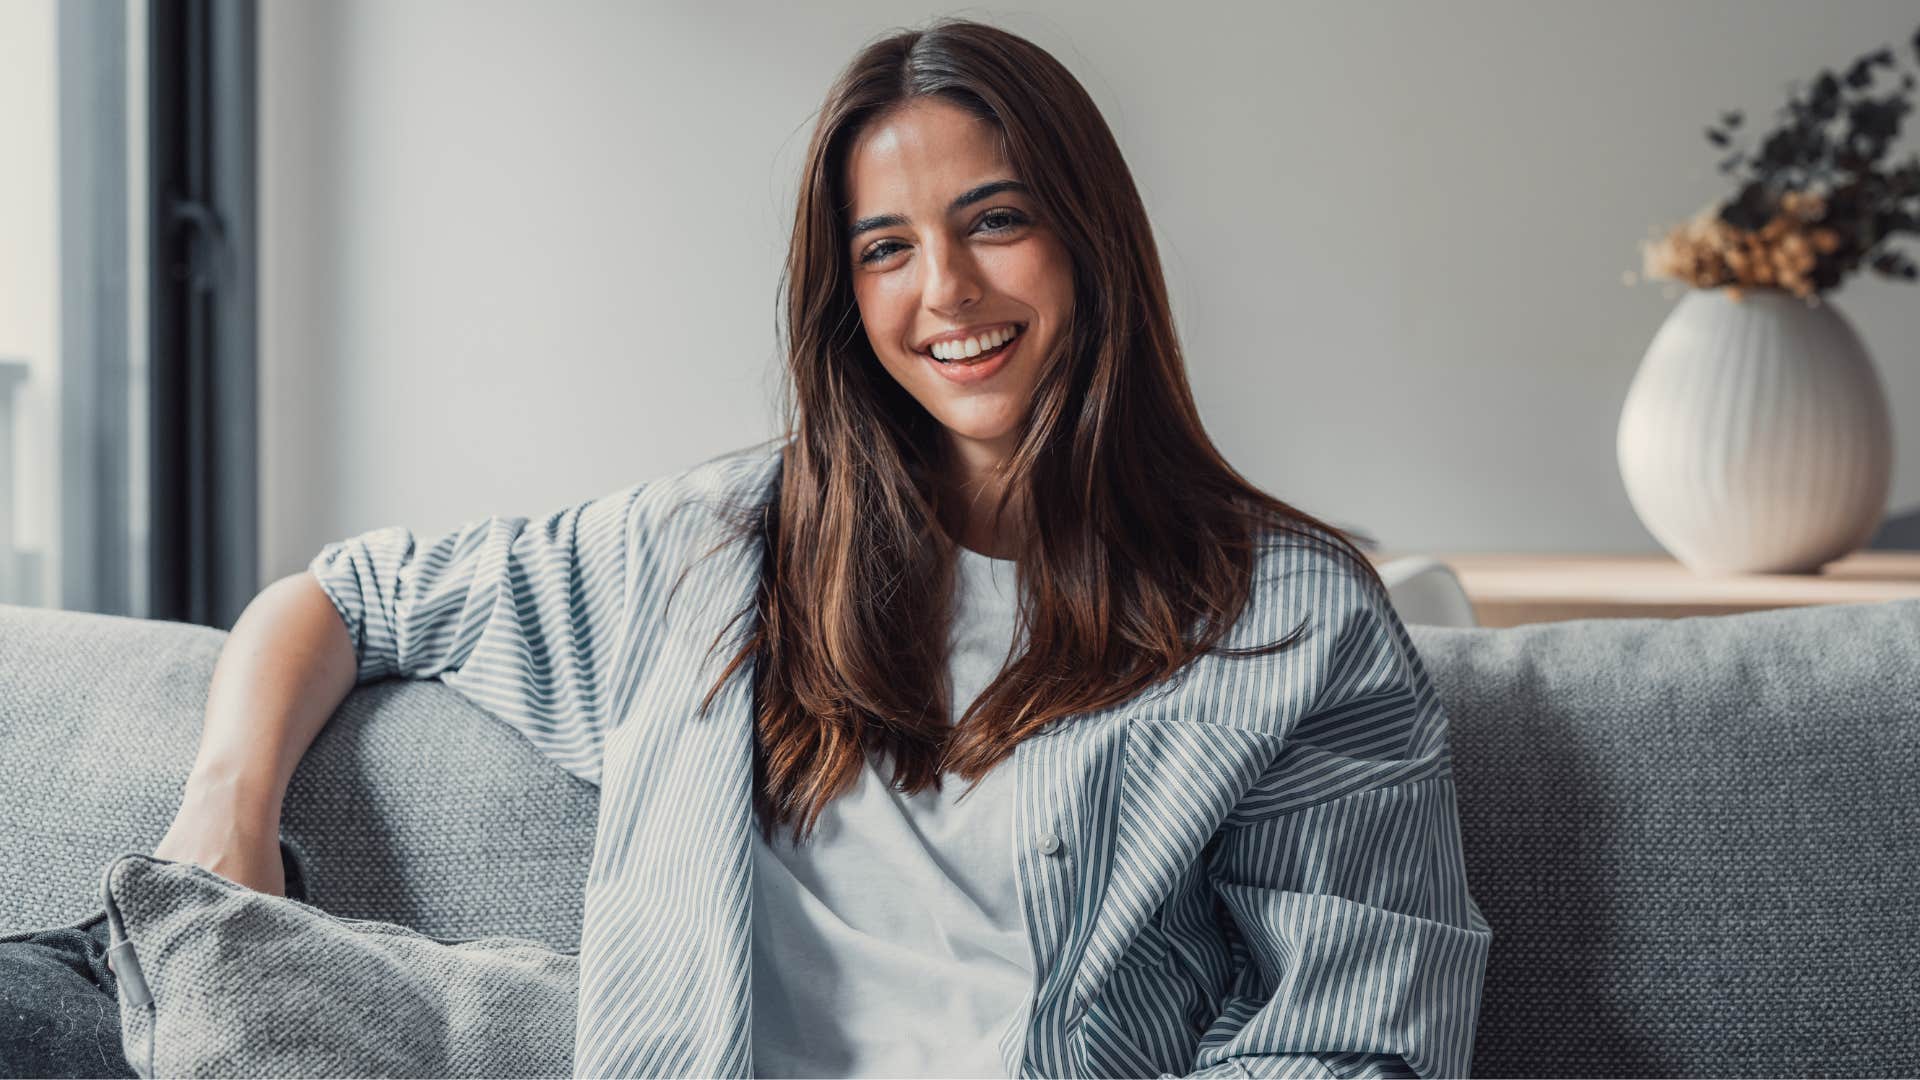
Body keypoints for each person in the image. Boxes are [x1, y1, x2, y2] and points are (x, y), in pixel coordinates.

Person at [0, 16, 1491, 1079]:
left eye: (998, 220)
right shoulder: (711, 553)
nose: (946, 289)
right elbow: (346, 594)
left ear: (1092, 238)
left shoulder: (1292, 620)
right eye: (886, 246)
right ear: (844, 293)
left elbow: (1355, 1039)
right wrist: (227, 804)